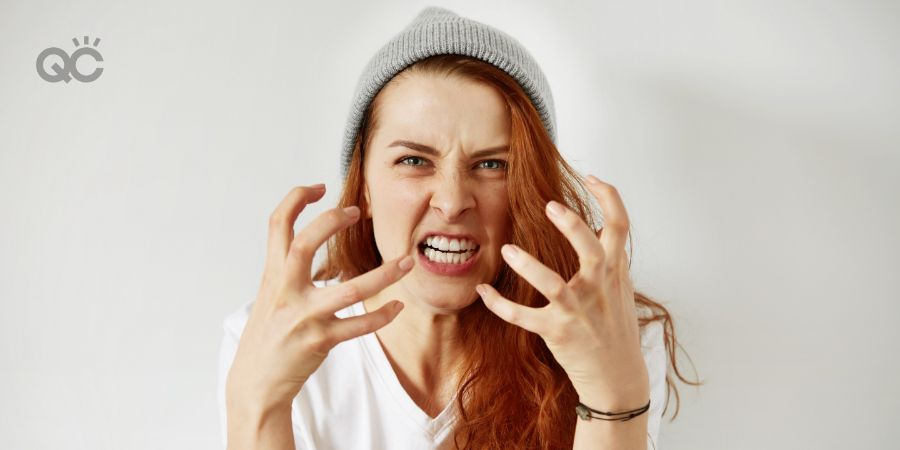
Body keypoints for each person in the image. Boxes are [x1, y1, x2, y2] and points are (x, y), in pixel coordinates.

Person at [218, 6, 699, 450]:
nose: (451, 202)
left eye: (492, 164)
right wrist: (256, 407)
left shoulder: (610, 336)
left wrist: (611, 400)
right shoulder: (269, 338)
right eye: (413, 160)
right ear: (363, 184)